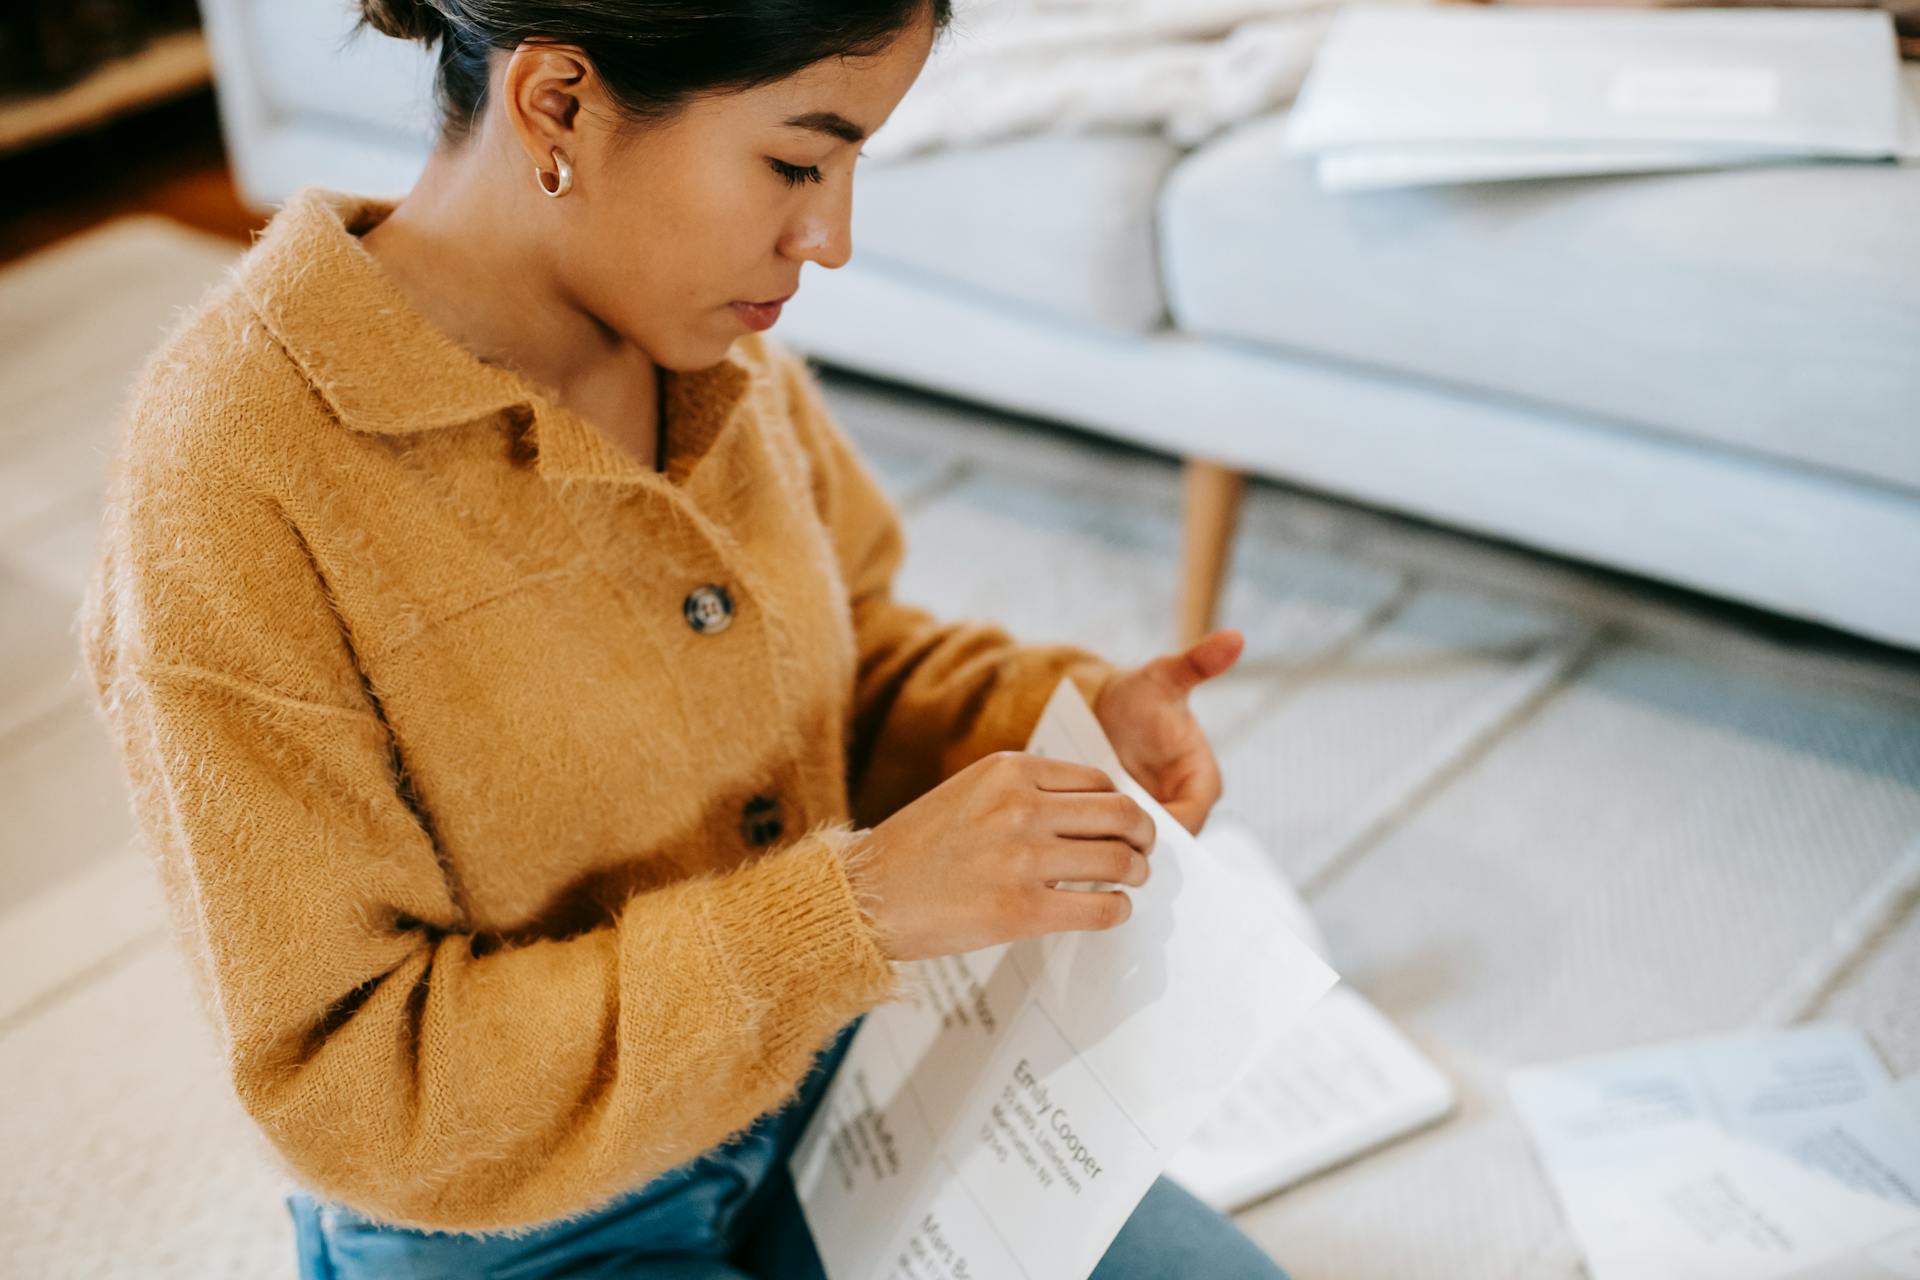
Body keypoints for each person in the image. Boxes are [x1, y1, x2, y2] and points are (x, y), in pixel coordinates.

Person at [76, 0, 1279, 1275]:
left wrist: (1065, 722)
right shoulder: (229, 476)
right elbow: (360, 1086)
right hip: (518, 1221)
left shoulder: (707, 351)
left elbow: (842, 672)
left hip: (824, 1083)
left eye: (855, 163)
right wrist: (851, 913)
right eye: (797, 163)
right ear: (559, 106)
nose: (833, 238)